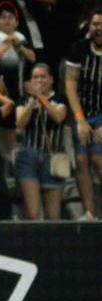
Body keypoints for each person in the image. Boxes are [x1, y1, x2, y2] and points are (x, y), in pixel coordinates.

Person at [15, 63, 67, 220]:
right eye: (35, 77)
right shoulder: (24, 99)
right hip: (28, 155)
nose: (39, 80)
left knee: (53, 215)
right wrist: (32, 101)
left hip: (52, 157)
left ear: (51, 79)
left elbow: (58, 117)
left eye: (43, 76)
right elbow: (20, 123)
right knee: (32, 213)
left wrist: (42, 98)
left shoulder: (59, 98)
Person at [64, 7, 102, 220]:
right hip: (82, 111)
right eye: (96, 24)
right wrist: (80, 120)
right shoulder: (79, 49)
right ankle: (89, 212)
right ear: (89, 26)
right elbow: (70, 85)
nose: (99, 29)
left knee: (98, 158)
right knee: (81, 160)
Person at [0, 2, 34, 102]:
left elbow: (32, 58)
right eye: (3, 17)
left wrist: (19, 46)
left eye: (10, 17)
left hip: (19, 84)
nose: (7, 20)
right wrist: (4, 46)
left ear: (16, 22)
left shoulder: (21, 37)